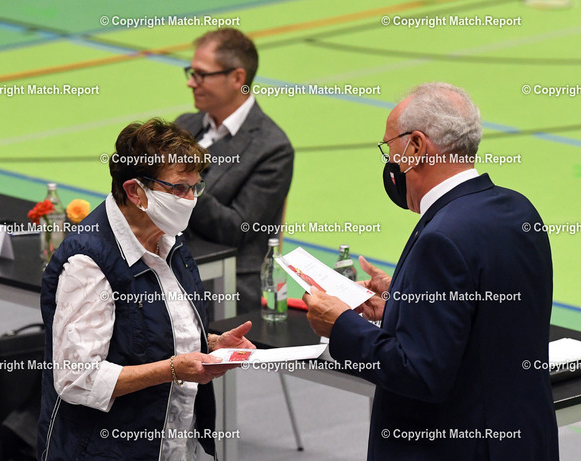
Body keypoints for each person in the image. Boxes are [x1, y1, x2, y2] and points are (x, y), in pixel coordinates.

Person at [303, 83, 559, 460]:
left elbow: (420, 374)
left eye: (389, 149)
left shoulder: (442, 236)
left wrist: (340, 324)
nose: (390, 163)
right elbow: (485, 321)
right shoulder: (519, 210)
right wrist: (401, 303)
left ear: (416, 147)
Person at [37, 118, 254, 460]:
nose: (190, 200)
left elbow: (149, 332)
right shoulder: (88, 263)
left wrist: (211, 344)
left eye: (195, 188)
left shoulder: (169, 238)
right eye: (178, 188)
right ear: (135, 191)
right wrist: (173, 369)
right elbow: (76, 379)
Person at [175, 28, 294, 314]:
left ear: (237, 78)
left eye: (201, 74)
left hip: (226, 285)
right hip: (169, 265)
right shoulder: (185, 125)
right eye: (191, 72)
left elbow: (237, 229)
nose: (191, 82)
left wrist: (182, 183)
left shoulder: (272, 148)